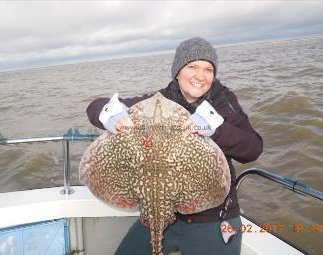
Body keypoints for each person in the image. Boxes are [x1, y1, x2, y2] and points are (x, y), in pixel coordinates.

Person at [86, 37, 263, 255]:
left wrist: (217, 129)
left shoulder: (223, 102)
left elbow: (253, 148)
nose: (200, 75)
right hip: (155, 214)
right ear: (177, 71)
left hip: (213, 218)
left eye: (208, 69)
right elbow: (95, 106)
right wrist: (110, 114)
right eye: (192, 67)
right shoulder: (157, 102)